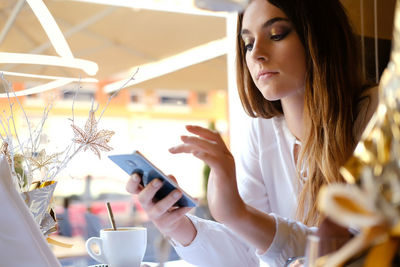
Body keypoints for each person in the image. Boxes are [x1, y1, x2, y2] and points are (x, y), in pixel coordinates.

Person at [126, 0, 379, 266]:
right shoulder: (262, 132)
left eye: (277, 35)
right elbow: (247, 254)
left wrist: (238, 214)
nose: (256, 53)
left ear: (320, 36)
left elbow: (362, 252)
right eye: (247, 43)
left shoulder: (377, 116)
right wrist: (177, 224)